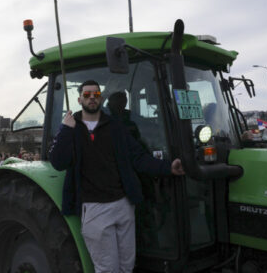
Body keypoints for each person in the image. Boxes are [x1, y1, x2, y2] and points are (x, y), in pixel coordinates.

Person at [49, 80, 185, 273]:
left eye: (95, 95)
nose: (91, 98)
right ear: (79, 99)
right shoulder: (72, 129)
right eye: (87, 95)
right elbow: (58, 162)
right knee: (107, 269)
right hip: (95, 209)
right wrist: (65, 129)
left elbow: (137, 156)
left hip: (123, 205)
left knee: (126, 266)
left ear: (101, 98)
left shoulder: (115, 127)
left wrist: (168, 167)